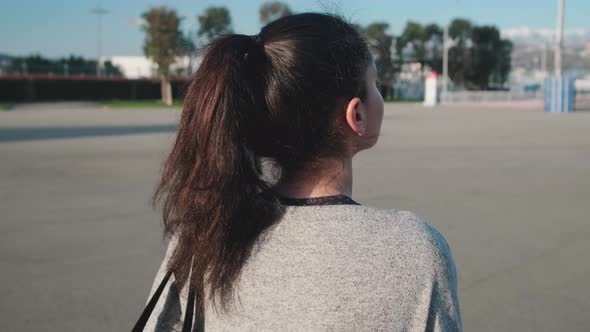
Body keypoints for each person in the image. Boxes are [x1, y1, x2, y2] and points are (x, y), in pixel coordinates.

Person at [133, 12, 462, 332]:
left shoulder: (205, 235)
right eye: (374, 83)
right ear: (357, 115)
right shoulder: (412, 249)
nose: (380, 94)